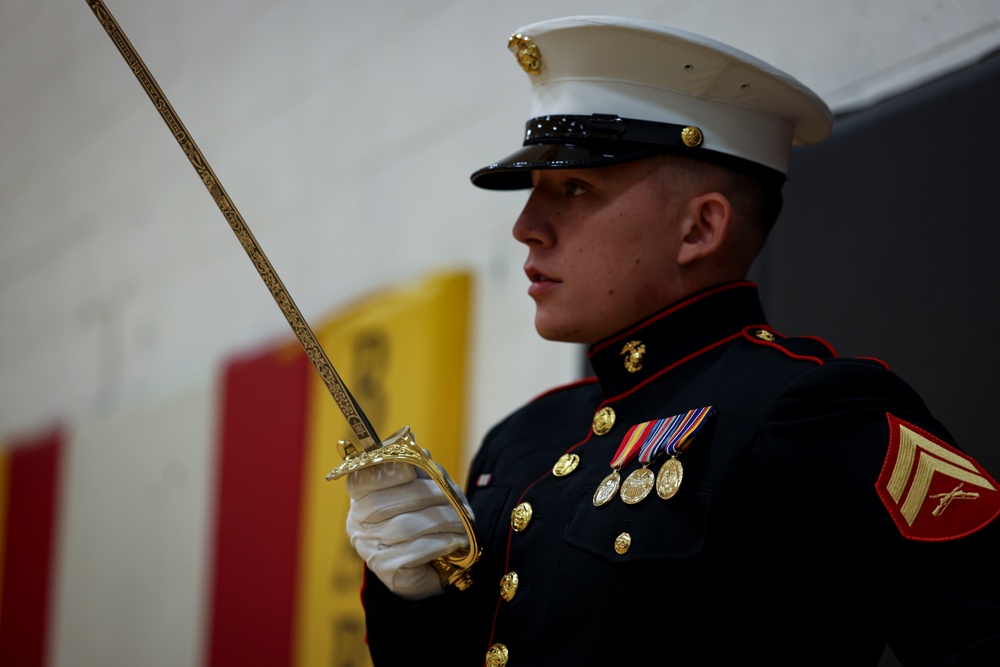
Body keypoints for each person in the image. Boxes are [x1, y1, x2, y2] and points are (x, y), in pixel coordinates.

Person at [344, 16, 1000, 666]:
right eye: (534, 191)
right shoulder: (522, 441)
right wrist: (416, 595)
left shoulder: (804, 412)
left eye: (574, 187)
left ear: (699, 228)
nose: (526, 226)